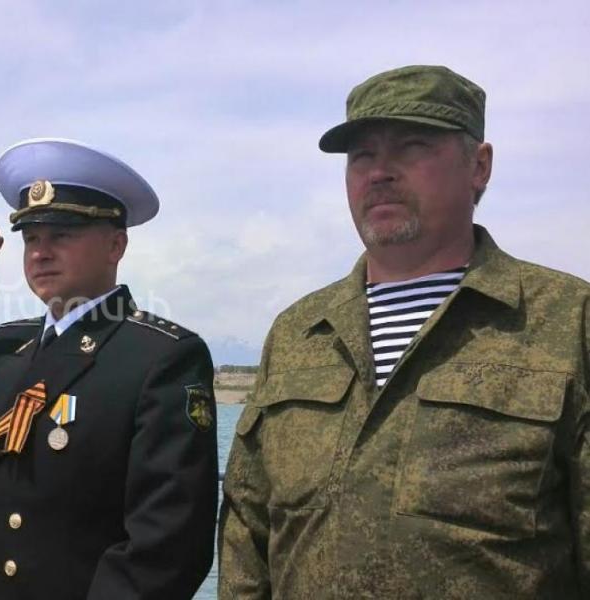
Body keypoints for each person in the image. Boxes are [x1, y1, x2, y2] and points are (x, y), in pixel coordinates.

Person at [219, 65, 590, 598]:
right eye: (361, 156)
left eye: (412, 147)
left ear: (479, 166)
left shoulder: (567, 320)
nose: (379, 173)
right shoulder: (299, 333)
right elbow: (246, 534)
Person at [0, 138, 218, 599]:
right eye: (31, 238)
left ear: (116, 245)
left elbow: (166, 544)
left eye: (61, 235)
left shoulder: (160, 357)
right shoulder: (4, 346)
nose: (40, 253)